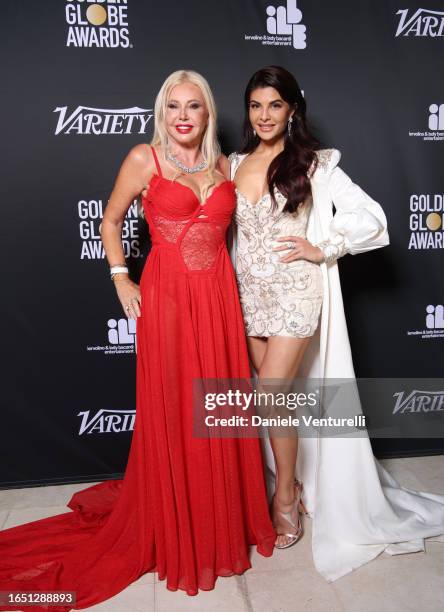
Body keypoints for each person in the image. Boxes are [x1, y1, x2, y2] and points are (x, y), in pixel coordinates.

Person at [0, 70, 276, 611]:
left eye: (194, 107)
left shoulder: (224, 166)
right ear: (162, 111)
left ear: (207, 112)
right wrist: (120, 276)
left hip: (218, 300)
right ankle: (179, 521)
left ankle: (218, 519)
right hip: (168, 300)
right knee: (176, 408)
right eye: (173, 106)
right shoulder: (143, 160)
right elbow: (108, 219)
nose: (183, 116)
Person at [228, 65, 444, 575]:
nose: (264, 115)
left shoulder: (315, 164)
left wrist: (322, 247)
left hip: (296, 294)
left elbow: (371, 217)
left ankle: (284, 499)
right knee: (272, 399)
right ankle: (295, 481)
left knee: (272, 394)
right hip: (248, 297)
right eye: (256, 105)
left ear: (292, 109)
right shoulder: (232, 162)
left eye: (274, 105)